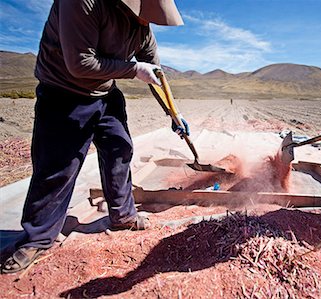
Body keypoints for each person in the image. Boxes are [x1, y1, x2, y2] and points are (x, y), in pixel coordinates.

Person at [1, 0, 189, 274]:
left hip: (105, 93)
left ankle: (123, 215)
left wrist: (173, 113)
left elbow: (156, 73)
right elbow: (80, 63)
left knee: (120, 150)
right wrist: (133, 70)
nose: (147, 23)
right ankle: (37, 239)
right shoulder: (83, 2)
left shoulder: (142, 27)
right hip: (64, 90)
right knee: (59, 167)